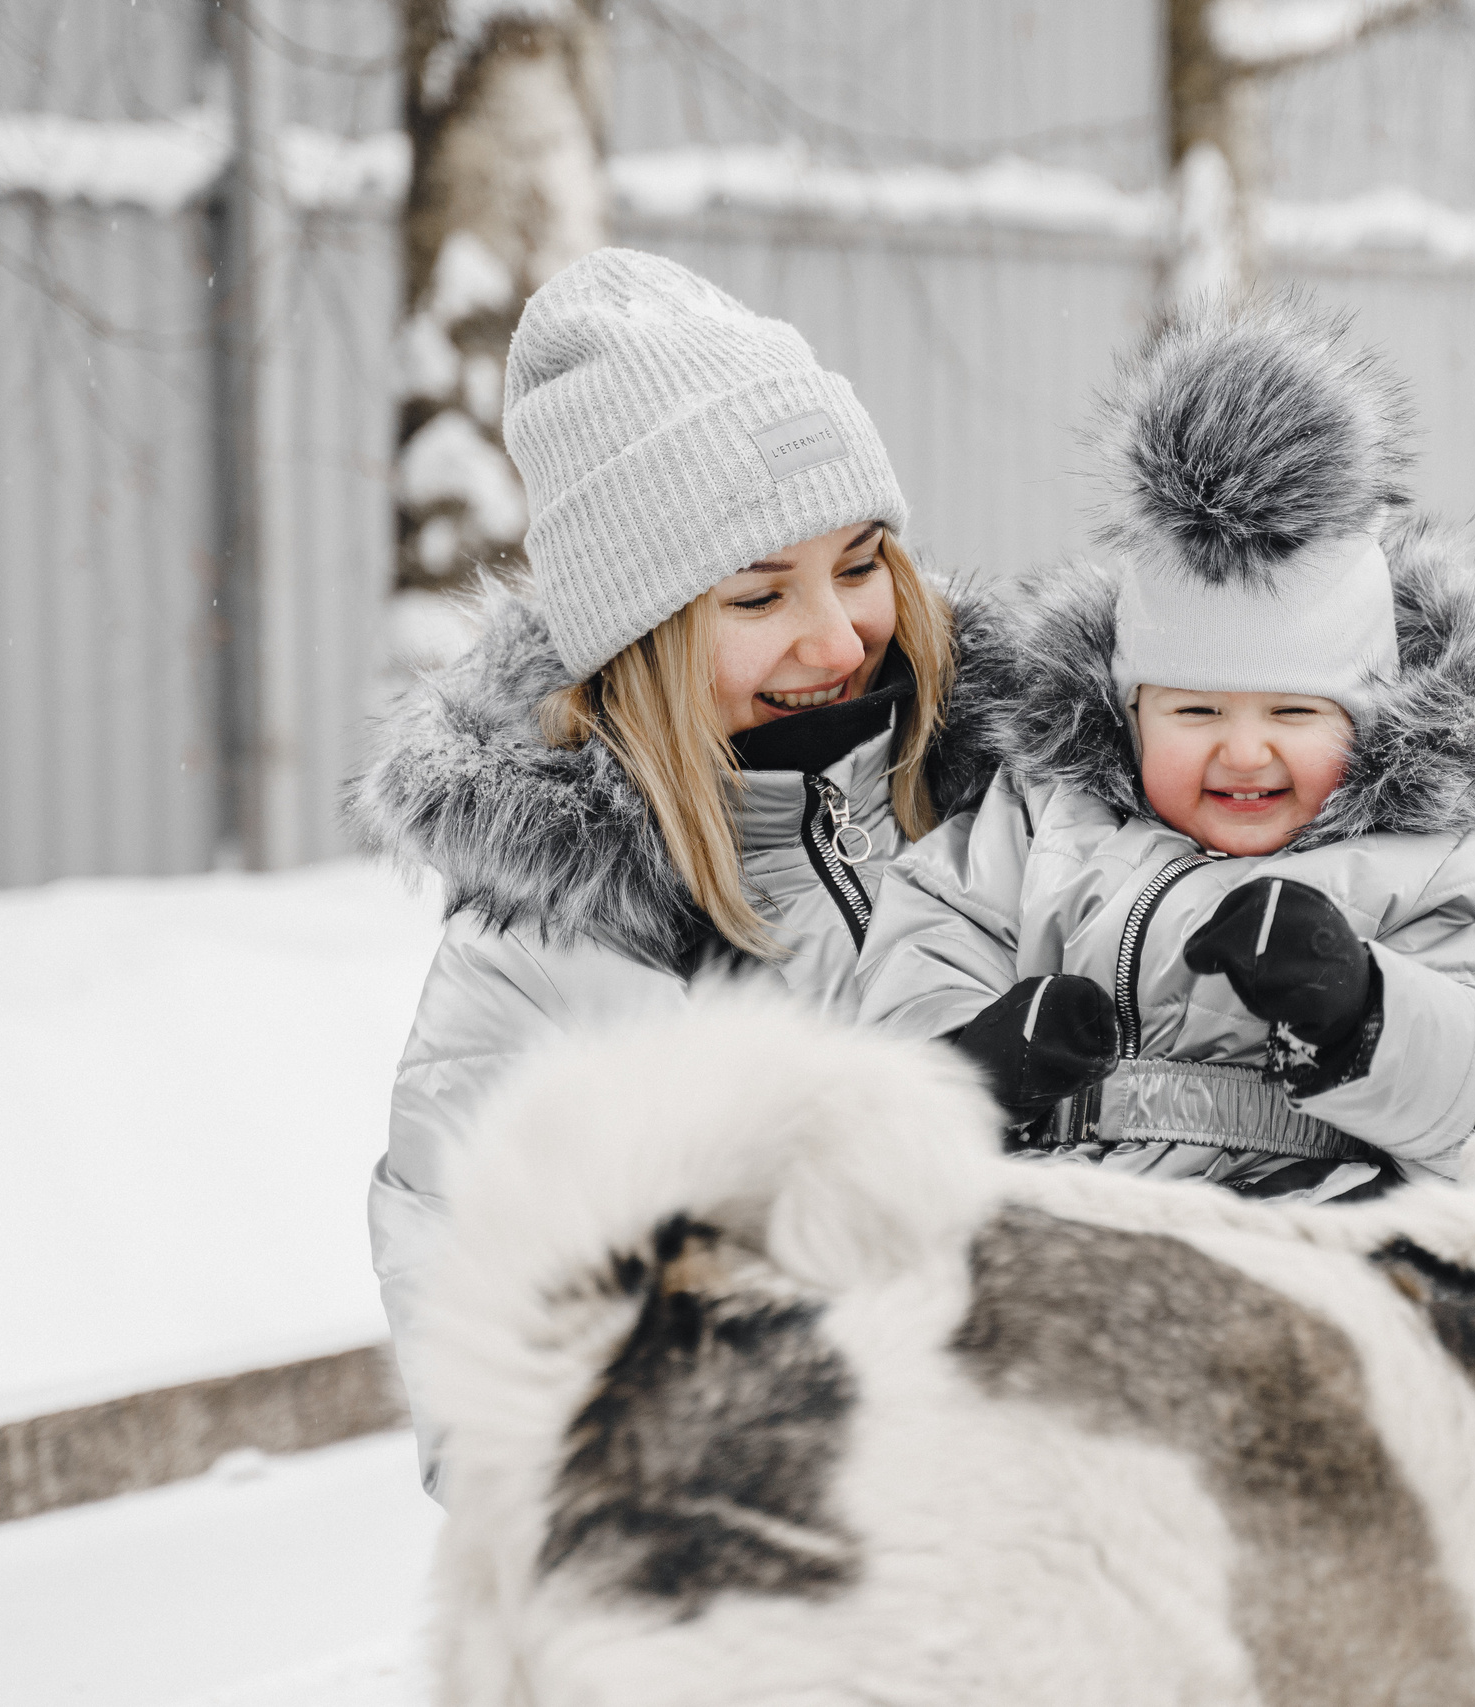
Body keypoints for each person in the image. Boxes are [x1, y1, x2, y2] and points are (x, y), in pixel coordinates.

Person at [350, 249, 1002, 1493]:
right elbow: (499, 1418)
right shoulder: (545, 961)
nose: (837, 638)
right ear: (637, 635)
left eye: (860, 564)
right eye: (758, 597)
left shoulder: (1011, 808)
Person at [857, 298, 1475, 1204]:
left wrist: (1366, 1011)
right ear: (1131, 711)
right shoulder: (1045, 824)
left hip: (1320, 1220)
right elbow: (931, 934)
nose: (1244, 751)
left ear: (1370, 718)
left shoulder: (1442, 860)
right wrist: (967, 1062)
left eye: (1294, 710)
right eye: (1197, 709)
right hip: (1057, 1212)